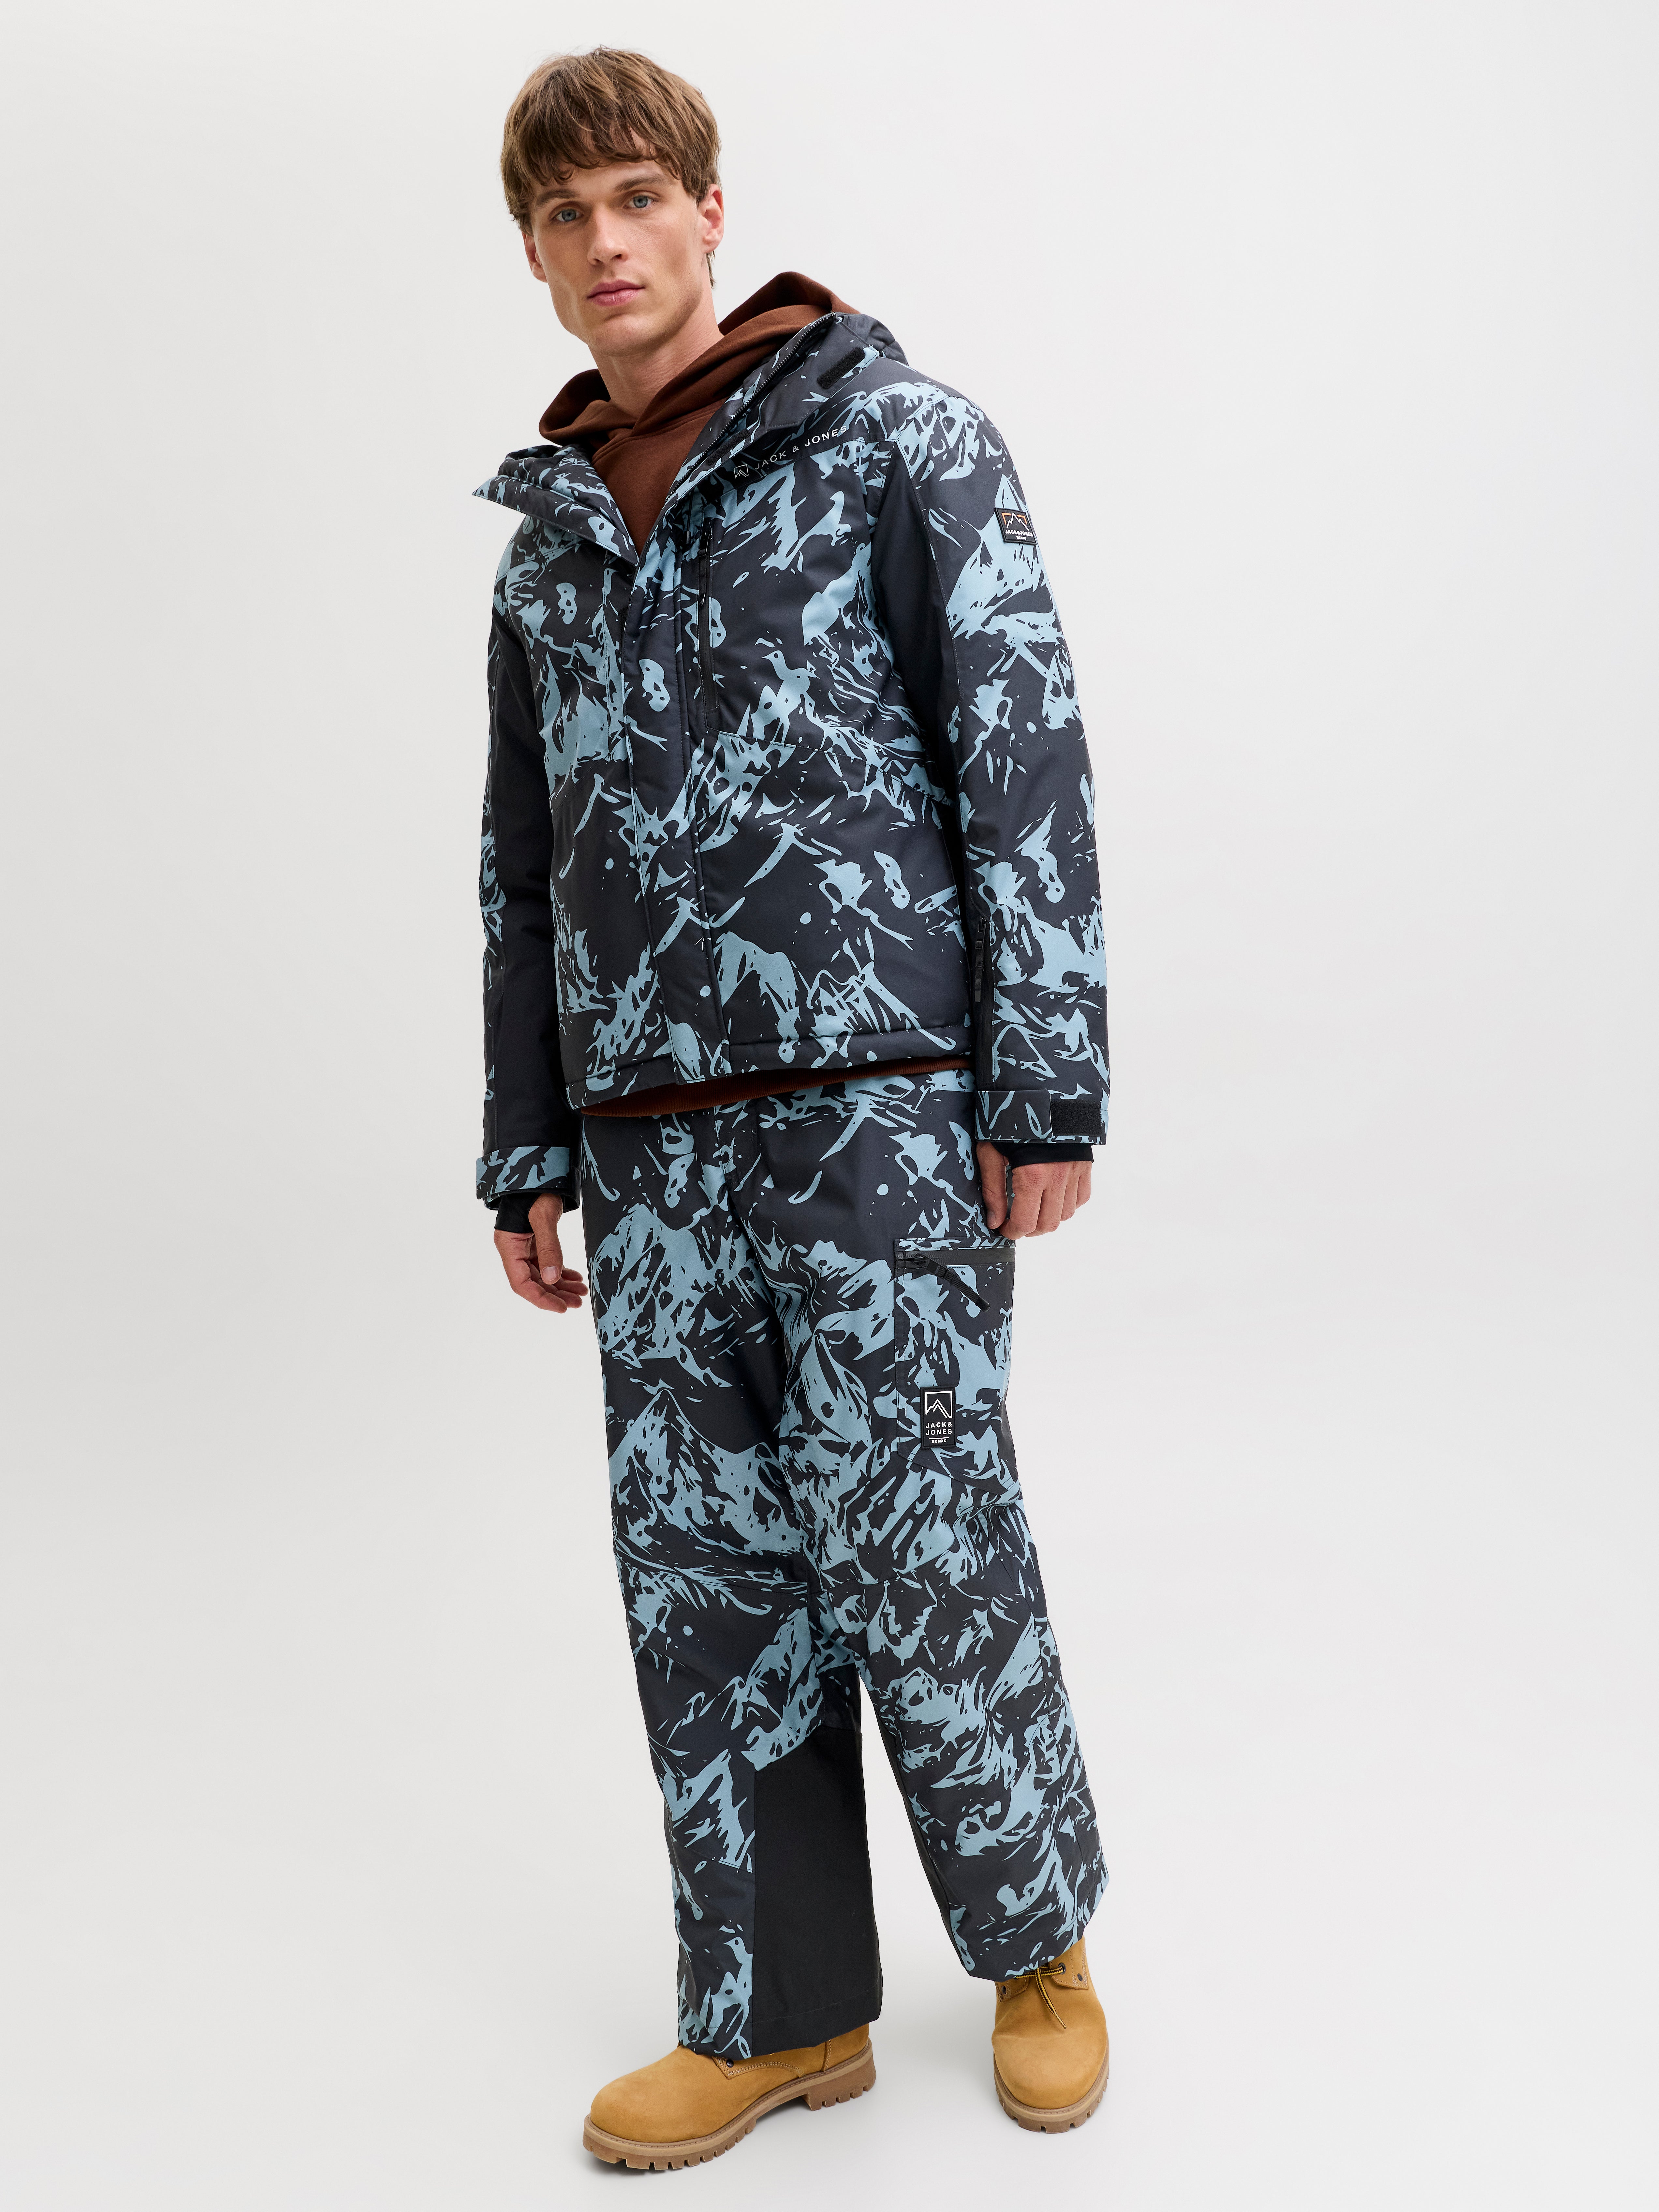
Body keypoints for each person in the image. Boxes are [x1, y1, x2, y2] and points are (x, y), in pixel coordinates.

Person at [476, 46, 1112, 2170]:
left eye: (634, 198)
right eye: (562, 216)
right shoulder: (548, 543)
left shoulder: (897, 442)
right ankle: (775, 2010)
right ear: (537, 257)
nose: (604, 243)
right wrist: (526, 1139)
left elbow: (1018, 753)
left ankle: (1034, 1943)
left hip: (879, 1116)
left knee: (925, 1546)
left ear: (709, 212)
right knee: (705, 1581)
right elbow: (523, 860)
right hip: (648, 1148)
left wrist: (1044, 1082)